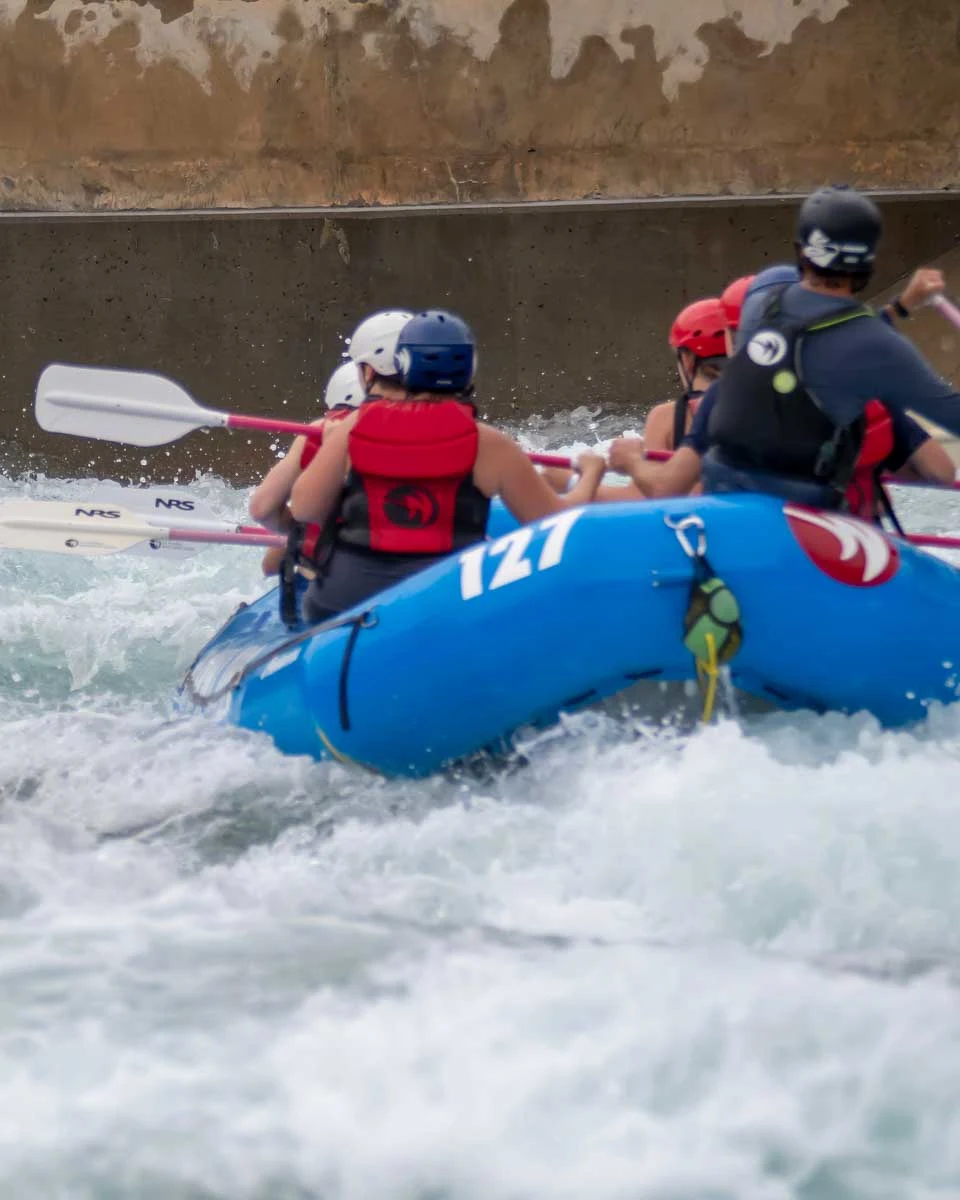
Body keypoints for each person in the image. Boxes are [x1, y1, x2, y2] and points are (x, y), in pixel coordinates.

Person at [609, 185, 958, 515]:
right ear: (866, 269)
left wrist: (632, 461)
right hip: (812, 537)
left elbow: (663, 490)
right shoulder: (876, 358)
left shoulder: (745, 350)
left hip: (719, 539)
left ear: (801, 255)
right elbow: (942, 463)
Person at [289, 310, 606, 622]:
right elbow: (557, 523)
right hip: (445, 601)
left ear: (402, 365)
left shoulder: (354, 425)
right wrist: (590, 473)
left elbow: (303, 508)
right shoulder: (493, 445)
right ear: (469, 371)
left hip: (345, 599)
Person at [250, 309, 412, 575]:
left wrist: (296, 532)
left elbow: (262, 510)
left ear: (368, 373)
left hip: (334, 583)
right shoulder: (443, 424)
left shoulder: (318, 433)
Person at [642, 298, 728, 453]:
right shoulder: (762, 409)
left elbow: (653, 476)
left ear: (687, 360)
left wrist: (631, 461)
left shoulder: (666, 418)